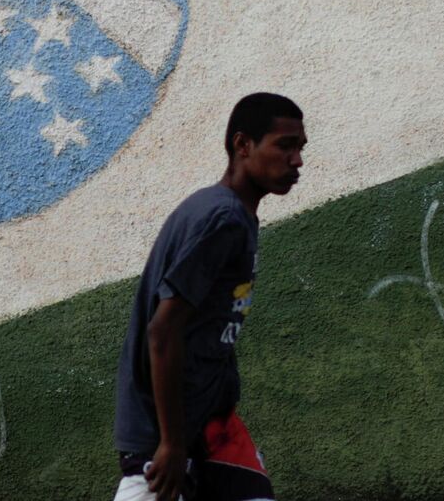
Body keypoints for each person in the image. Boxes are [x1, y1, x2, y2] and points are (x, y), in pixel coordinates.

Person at [112, 93, 306, 501]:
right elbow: (162, 332)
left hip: (211, 429)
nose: (297, 161)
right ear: (242, 145)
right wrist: (171, 443)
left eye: (300, 147)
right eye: (284, 146)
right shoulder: (222, 219)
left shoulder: (233, 214)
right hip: (163, 440)